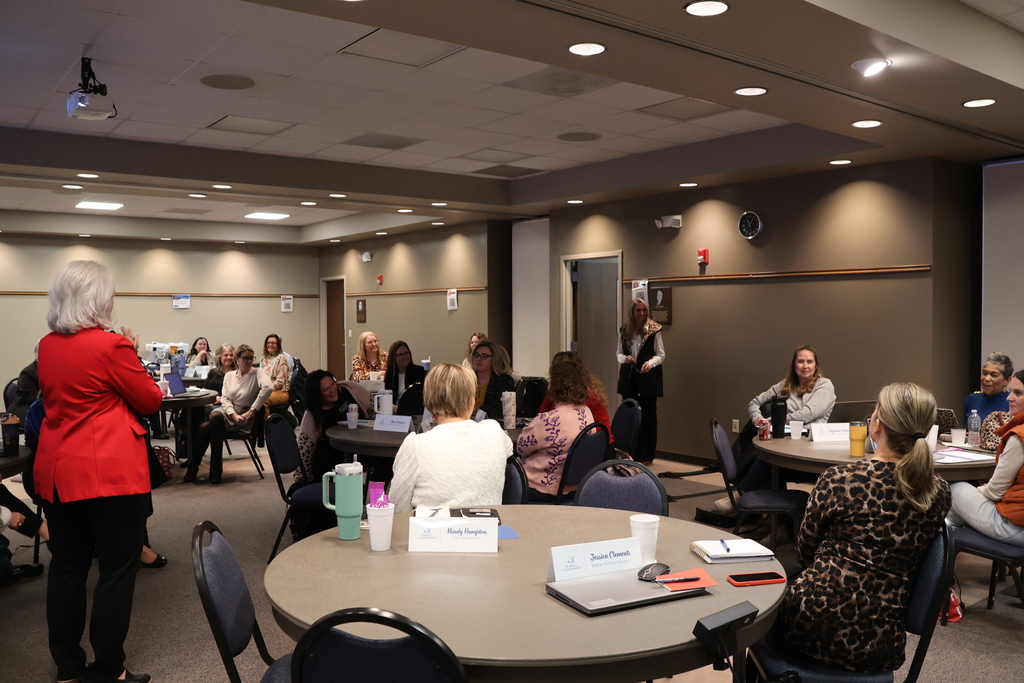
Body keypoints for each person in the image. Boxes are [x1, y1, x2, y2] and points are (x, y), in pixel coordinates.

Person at [34, 260, 164, 683]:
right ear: (98, 299)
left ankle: (68, 669)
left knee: (67, 568)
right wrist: (132, 351)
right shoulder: (112, 346)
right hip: (108, 475)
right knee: (116, 571)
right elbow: (149, 400)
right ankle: (109, 669)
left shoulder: (47, 345)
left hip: (57, 473)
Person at [775, 382, 951, 672]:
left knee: (755, 617)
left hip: (811, 626)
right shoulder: (938, 492)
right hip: (882, 643)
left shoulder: (840, 478)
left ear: (877, 424)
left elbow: (805, 551)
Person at [389, 364, 511, 513]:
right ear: (471, 400)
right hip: (488, 532)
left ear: (429, 399)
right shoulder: (495, 431)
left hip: (429, 533)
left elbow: (397, 509)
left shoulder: (415, 445)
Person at [739, 345, 837, 493]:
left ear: (816, 365)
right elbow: (754, 402)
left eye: (809, 362)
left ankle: (739, 498)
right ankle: (761, 508)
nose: (805, 366)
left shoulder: (824, 385)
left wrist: (774, 421)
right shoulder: (785, 385)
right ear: (794, 365)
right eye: (800, 361)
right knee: (766, 460)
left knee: (767, 464)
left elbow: (808, 413)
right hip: (781, 441)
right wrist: (758, 419)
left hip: (808, 446)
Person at [948, 370, 1024, 546]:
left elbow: (995, 491)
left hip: (1015, 527)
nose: (1009, 398)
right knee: (953, 515)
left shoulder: (1019, 437)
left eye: (1018, 393)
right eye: (1011, 391)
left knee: (955, 489)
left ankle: (932, 559)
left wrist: (978, 491)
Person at [184, 344, 272, 485]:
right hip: (228, 411)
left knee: (206, 428)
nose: (248, 361)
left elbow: (268, 388)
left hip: (245, 415)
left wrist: (253, 410)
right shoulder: (230, 376)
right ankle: (215, 469)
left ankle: (195, 468)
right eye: (245, 358)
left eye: (251, 358)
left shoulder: (257, 372)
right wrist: (232, 414)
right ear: (238, 359)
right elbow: (225, 399)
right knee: (215, 417)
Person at [517, 359, 595, 502]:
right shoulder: (587, 412)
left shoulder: (548, 420)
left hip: (541, 490)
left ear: (554, 386)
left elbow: (521, 448)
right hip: (575, 487)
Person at [616, 298, 664, 464]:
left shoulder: (654, 330)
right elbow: (618, 354)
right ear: (632, 312)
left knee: (648, 418)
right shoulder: (624, 330)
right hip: (630, 378)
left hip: (648, 379)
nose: (642, 314)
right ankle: (631, 454)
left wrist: (650, 364)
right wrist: (625, 359)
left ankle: (647, 456)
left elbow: (661, 354)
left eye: (644, 310)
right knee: (631, 417)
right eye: (638, 310)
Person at [538, 351, 612, 439]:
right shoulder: (568, 392)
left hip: (597, 446)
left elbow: (552, 421)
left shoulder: (583, 396)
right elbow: (542, 418)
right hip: (585, 443)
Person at [295, 370, 347, 484]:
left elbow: (373, 407)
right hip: (332, 450)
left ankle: (381, 499)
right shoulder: (312, 414)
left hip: (361, 444)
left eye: (332, 384)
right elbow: (305, 450)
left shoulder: (350, 391)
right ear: (317, 394)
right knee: (319, 457)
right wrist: (302, 479)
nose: (332, 390)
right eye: (325, 389)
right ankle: (322, 495)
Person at [471, 340, 516, 421]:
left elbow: (495, 410)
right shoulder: (466, 380)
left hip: (490, 425)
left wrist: (472, 410)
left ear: (494, 359)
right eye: (476, 355)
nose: (478, 359)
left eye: (484, 356)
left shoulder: (504, 381)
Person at [963, 352, 1014, 423]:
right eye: (984, 373)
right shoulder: (972, 399)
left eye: (994, 375)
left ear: (1007, 380)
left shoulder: (1012, 401)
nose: (987, 379)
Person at [260, 333, 291, 414]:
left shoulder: (282, 358)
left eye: (273, 343)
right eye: (268, 343)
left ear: (278, 345)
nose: (270, 345)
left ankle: (266, 424)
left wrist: (265, 391)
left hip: (281, 392)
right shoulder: (263, 359)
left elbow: (280, 382)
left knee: (260, 400)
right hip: (267, 391)